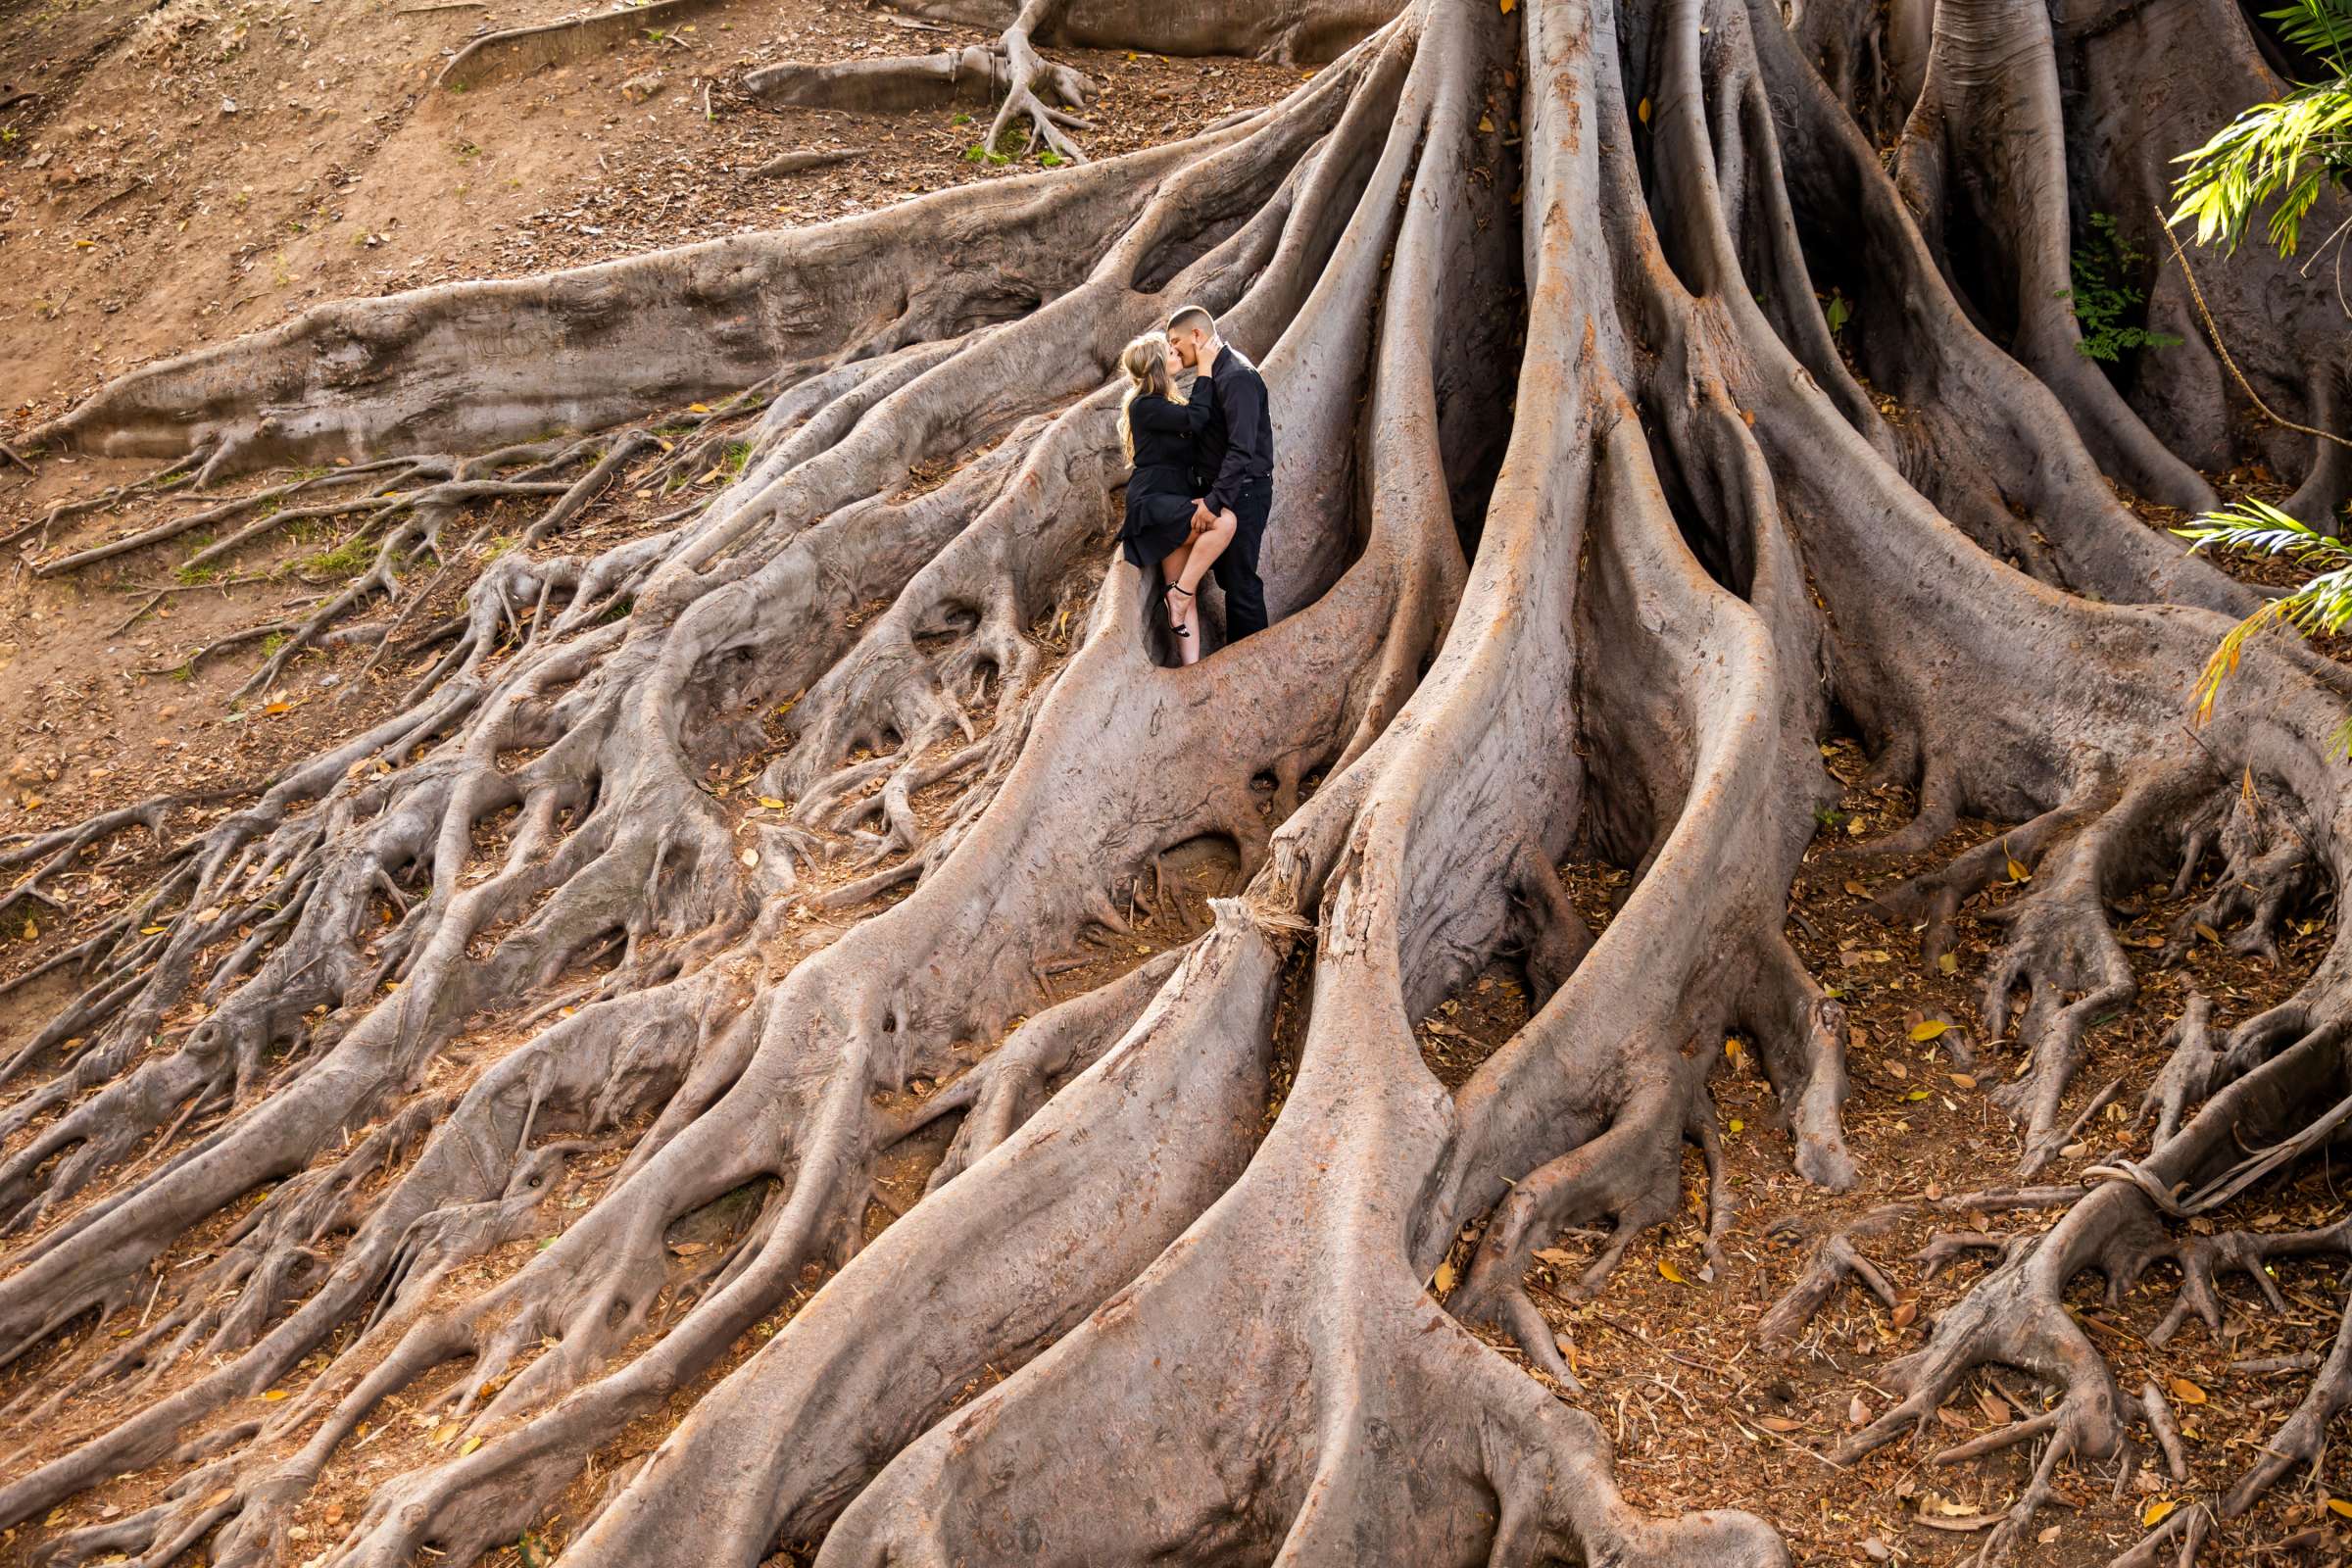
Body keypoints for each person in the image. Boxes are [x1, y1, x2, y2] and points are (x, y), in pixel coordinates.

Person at [1114, 330, 1235, 663]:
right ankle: (1178, 597)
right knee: (1224, 523)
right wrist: (1205, 370)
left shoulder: (1165, 403)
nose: (1176, 353)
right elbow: (1195, 419)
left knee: (1182, 586)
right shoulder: (1145, 405)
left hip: (1173, 501)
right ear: (1157, 364)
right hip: (1154, 503)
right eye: (1170, 351)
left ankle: (1190, 666)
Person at [1167, 303, 1274, 642]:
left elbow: (1241, 449)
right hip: (1223, 489)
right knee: (1229, 578)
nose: (1172, 350)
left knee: (1241, 581)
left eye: (1175, 342)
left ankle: (1251, 657)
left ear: (1197, 335)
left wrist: (1214, 503)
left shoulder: (1237, 375)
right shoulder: (1212, 371)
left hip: (1244, 491)